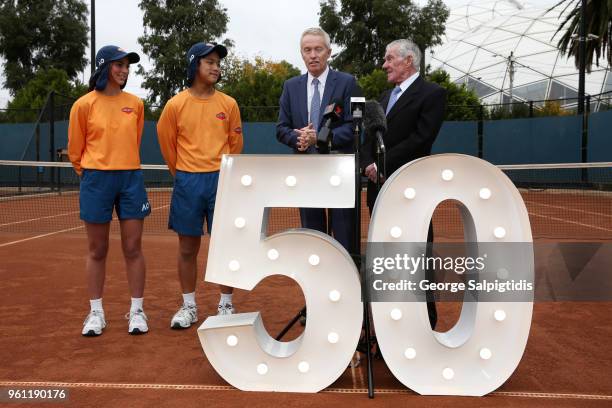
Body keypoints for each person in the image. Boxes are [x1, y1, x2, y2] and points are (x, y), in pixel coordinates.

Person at [361, 39, 447, 329]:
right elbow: (368, 140)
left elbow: (421, 139)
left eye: (389, 59)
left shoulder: (433, 94)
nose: (384, 64)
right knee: (387, 260)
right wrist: (367, 164)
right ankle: (391, 328)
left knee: (416, 258)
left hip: (412, 191)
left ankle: (425, 324)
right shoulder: (382, 98)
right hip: (378, 191)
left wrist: (382, 164)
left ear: (408, 61)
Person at [157, 42, 243, 329]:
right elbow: (168, 147)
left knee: (226, 247)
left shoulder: (229, 104)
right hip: (188, 181)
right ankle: (189, 306)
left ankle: (226, 305)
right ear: (195, 64)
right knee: (187, 248)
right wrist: (184, 174)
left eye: (218, 62)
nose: (216, 67)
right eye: (210, 62)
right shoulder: (175, 105)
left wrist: (224, 176)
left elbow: (235, 146)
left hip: (221, 181)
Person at [68, 45, 150, 336]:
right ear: (104, 66)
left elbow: (134, 139)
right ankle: (96, 313)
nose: (124, 70)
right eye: (119, 65)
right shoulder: (83, 105)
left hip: (130, 179)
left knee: (132, 248)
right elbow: (76, 152)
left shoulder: (136, 104)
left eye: (127, 66)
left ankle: (137, 311)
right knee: (97, 249)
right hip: (95, 180)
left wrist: (121, 163)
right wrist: (93, 172)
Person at [276, 27, 358, 254]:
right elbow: (281, 128)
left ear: (329, 52)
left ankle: (347, 280)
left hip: (338, 172)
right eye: (307, 50)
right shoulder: (290, 86)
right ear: (302, 54)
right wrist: (298, 138)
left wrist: (322, 139)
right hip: (306, 172)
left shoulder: (347, 82)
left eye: (318, 49)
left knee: (344, 236)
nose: (313, 55)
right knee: (312, 235)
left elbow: (355, 127)